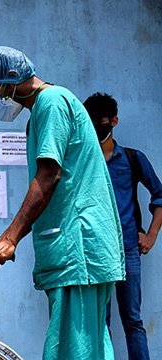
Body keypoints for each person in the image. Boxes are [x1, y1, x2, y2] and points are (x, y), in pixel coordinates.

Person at [0, 47, 125, 360]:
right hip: (72, 246)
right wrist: (4, 239)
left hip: (78, 245)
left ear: (11, 80)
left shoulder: (52, 103)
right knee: (90, 347)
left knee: (74, 348)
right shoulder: (43, 109)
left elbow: (48, 176)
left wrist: (10, 239)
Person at [83, 92, 162, 360]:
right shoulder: (84, 162)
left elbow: (159, 195)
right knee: (99, 323)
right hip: (95, 252)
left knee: (132, 320)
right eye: (91, 124)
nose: (96, 129)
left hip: (128, 250)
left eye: (101, 123)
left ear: (114, 121)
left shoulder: (131, 159)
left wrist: (151, 235)